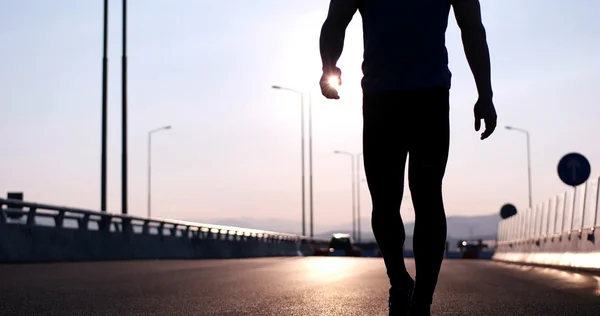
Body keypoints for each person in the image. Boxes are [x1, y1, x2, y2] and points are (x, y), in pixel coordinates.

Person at [318, 0, 497, 315]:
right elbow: (335, 22)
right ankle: (402, 283)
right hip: (400, 98)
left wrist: (486, 94)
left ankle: (419, 297)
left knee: (416, 198)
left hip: (408, 98)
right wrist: (328, 66)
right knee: (396, 200)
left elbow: (472, 28)